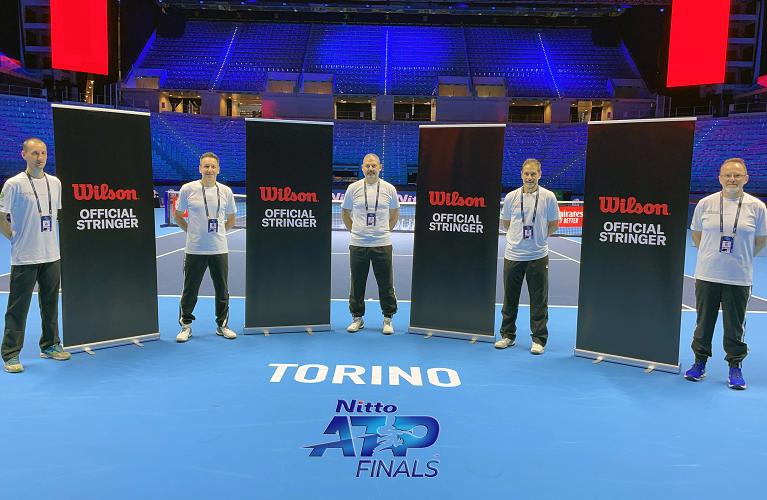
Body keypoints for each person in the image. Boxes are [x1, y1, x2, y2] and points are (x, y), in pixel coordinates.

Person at [685, 158, 767, 390]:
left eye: (737, 175)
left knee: (735, 327)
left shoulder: (757, 207)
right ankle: (699, 363)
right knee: (703, 324)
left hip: (739, 277)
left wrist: (739, 257)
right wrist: (714, 256)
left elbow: (760, 240)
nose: (732, 179)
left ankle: (735, 367)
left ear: (746, 178)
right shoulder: (705, 204)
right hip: (707, 275)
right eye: (728, 175)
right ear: (720, 178)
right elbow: (697, 236)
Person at [0, 138, 69, 373]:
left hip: (51, 255)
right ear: (24, 155)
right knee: (18, 307)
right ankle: (10, 353)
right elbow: (1, 217)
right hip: (24, 257)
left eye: (43, 153)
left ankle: (50, 344)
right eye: (34, 153)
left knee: (50, 304)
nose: (40, 157)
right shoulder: (14, 184)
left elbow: (53, 215)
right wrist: (15, 238)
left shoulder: (56, 183)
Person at [495, 158, 559, 354]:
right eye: (526, 174)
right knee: (510, 299)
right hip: (513, 255)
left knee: (539, 300)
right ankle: (507, 335)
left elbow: (553, 224)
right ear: (521, 175)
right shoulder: (511, 197)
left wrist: (538, 240)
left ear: (540, 174)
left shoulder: (548, 197)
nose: (529, 177)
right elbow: (506, 224)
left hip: (538, 256)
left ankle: (539, 339)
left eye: (533, 174)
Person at [174, 152, 238, 342]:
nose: (209, 170)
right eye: (206, 166)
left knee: (222, 289)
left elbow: (232, 218)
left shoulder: (226, 191)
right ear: (200, 168)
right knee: (190, 290)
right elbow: (178, 215)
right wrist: (191, 232)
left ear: (218, 169)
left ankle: (222, 325)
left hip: (219, 249)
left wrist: (220, 233)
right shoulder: (188, 189)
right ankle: (186, 326)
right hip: (194, 250)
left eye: (212, 166)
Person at [341, 153, 400, 335]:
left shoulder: (389, 189)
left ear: (380, 167)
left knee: (386, 283)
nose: (371, 169)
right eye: (367, 166)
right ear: (362, 168)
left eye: (374, 165)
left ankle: (388, 319)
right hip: (358, 243)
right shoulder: (353, 188)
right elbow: (345, 212)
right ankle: (357, 319)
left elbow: (395, 213)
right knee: (357, 283)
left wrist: (383, 231)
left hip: (382, 243)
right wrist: (356, 231)